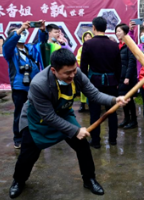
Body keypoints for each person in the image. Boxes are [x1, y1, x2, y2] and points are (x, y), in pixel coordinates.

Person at [9, 48, 129, 199]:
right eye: (67, 73)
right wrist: (75, 130)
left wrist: (114, 100)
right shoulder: (39, 84)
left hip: (63, 114)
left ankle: (89, 179)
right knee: (28, 155)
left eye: (74, 70)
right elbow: (49, 117)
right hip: (38, 120)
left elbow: (94, 94)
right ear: (53, 70)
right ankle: (19, 181)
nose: (72, 75)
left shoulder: (76, 74)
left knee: (83, 146)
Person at [3, 20, 46, 149]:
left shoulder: (30, 48)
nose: (22, 34)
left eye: (24, 32)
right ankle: (18, 138)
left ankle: (35, 135)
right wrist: (20, 29)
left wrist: (42, 31)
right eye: (19, 33)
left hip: (34, 87)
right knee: (19, 114)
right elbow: (7, 45)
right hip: (19, 88)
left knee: (36, 112)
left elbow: (41, 44)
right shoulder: (10, 52)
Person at [81, 17, 121, 148]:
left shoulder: (88, 44)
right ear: (106, 27)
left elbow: (83, 68)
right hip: (111, 83)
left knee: (94, 112)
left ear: (93, 27)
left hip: (94, 84)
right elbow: (119, 67)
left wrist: (84, 84)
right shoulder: (114, 45)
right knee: (112, 112)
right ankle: (113, 140)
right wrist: (117, 82)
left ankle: (96, 141)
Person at [115, 23, 138, 129]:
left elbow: (132, 62)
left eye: (119, 31)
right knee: (123, 99)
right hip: (120, 77)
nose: (117, 33)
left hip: (128, 78)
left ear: (125, 32)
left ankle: (134, 120)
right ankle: (126, 119)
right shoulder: (119, 45)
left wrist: (127, 77)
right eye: (116, 31)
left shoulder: (130, 45)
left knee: (129, 99)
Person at [76, 30, 93, 112]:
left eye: (89, 37)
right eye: (86, 37)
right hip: (84, 71)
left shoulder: (94, 47)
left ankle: (92, 105)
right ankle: (83, 105)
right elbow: (79, 59)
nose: (87, 38)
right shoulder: (81, 48)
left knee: (92, 88)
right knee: (83, 88)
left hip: (93, 70)